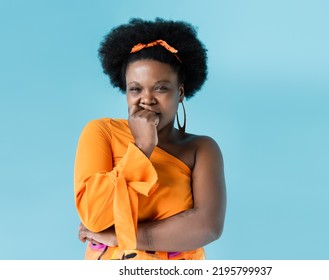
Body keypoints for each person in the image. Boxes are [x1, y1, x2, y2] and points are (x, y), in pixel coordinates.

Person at [74, 18, 226, 260]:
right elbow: (94, 217)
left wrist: (120, 236)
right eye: (135, 89)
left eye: (161, 88)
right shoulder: (101, 132)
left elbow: (207, 226)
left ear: (180, 93)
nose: (147, 99)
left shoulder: (202, 149)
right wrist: (142, 148)